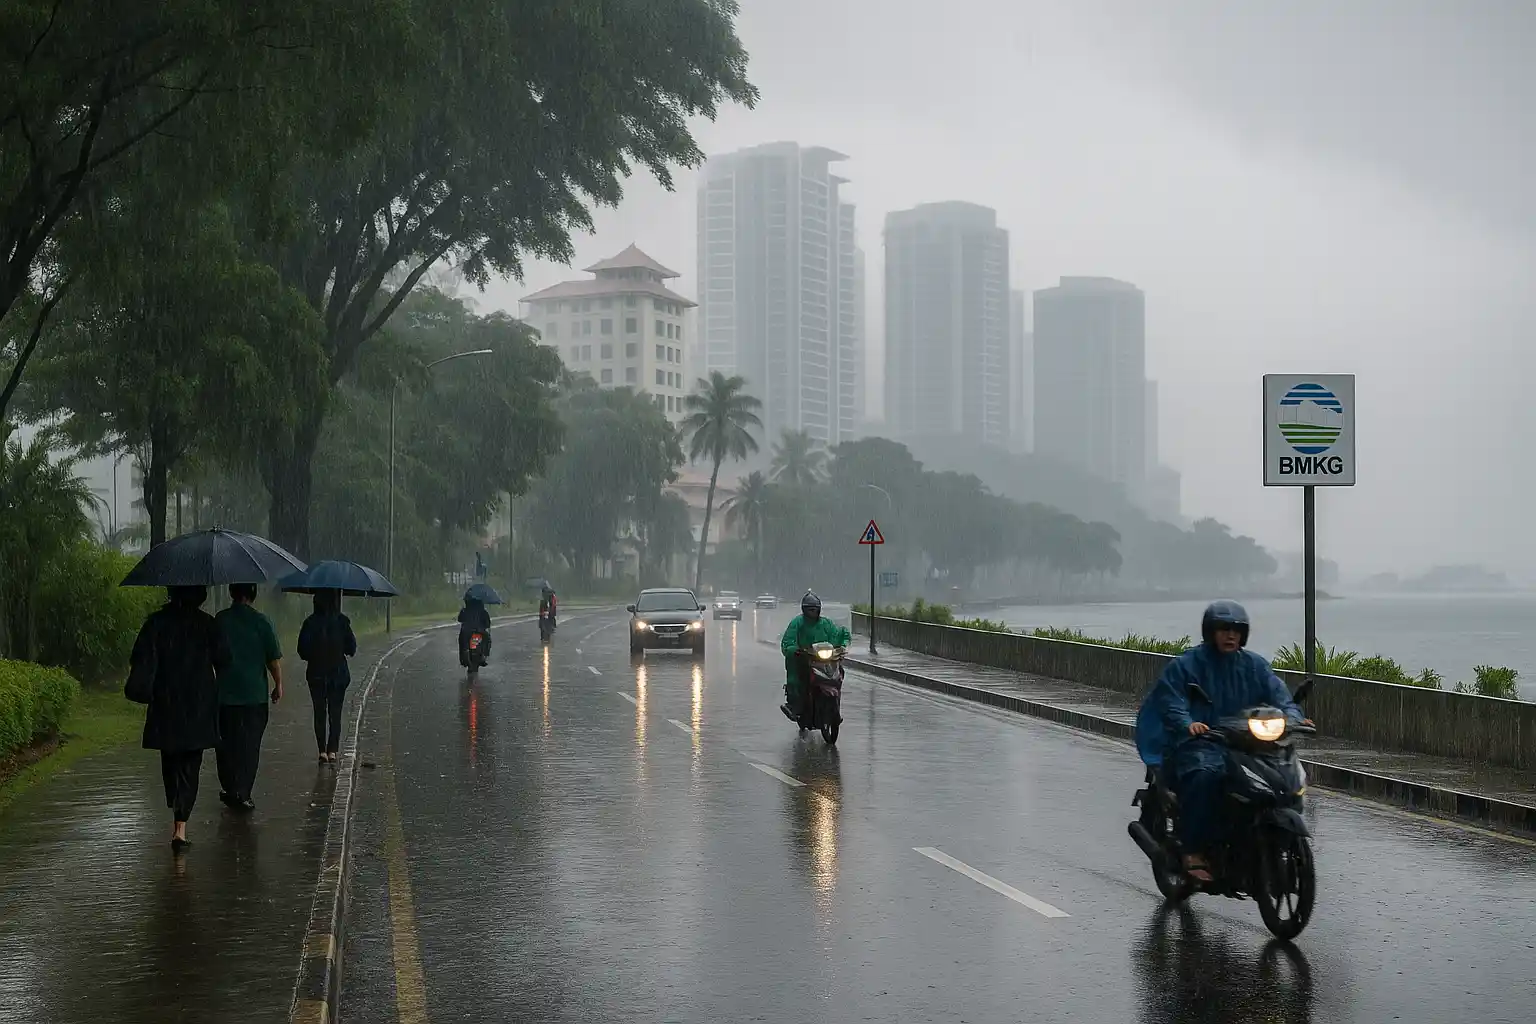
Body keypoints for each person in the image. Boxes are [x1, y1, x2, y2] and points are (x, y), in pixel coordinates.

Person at [1135, 600, 1311, 882]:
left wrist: (1294, 716)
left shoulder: (1254, 665)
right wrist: (1187, 723)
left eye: (1236, 630)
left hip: (1245, 742)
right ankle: (1192, 850)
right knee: (1207, 776)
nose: (1230, 635)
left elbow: (1280, 696)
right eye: (1223, 629)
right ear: (1210, 632)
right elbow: (1171, 701)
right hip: (1199, 743)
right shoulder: (1186, 666)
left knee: (1281, 775)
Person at [129, 585, 231, 852]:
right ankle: (180, 826)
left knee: (170, 757)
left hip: (167, 701)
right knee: (191, 762)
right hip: (197, 702)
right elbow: (224, 659)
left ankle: (177, 809)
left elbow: (139, 657)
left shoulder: (156, 623)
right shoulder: (206, 624)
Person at [214, 583, 283, 812]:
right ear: (253, 595)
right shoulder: (261, 622)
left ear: (231, 593)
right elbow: (272, 659)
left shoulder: (220, 620)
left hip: (225, 695)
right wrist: (278, 685)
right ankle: (243, 792)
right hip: (254, 696)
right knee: (249, 746)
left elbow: (212, 655)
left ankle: (229, 787)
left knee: (225, 744)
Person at [297, 590, 357, 764]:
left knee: (319, 712)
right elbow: (351, 649)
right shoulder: (342, 621)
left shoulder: (309, 623)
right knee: (335, 712)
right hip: (338, 674)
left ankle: (321, 750)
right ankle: (333, 751)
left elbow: (302, 650)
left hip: (316, 674)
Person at [778, 591, 851, 721]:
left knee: (839, 673)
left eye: (815, 609)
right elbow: (788, 641)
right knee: (797, 679)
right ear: (804, 610)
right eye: (810, 609)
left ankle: (834, 707)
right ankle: (795, 706)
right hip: (804, 659)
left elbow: (837, 634)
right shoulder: (797, 623)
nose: (813, 612)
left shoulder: (826, 623)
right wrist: (794, 649)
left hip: (823, 661)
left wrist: (842, 645)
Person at [458, 594, 493, 665]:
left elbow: (460, 619)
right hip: (479, 631)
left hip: (466, 631)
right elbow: (487, 623)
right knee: (488, 639)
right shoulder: (483, 611)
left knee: (461, 642)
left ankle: (463, 657)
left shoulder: (465, 610)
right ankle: (484, 655)